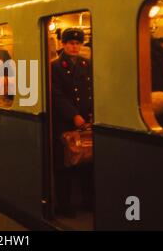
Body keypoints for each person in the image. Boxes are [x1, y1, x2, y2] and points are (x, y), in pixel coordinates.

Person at [51, 27, 93, 218]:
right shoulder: (55, 66)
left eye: (77, 43)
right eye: (70, 43)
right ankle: (65, 205)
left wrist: (90, 115)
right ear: (63, 44)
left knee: (86, 162)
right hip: (66, 123)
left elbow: (91, 91)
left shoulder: (87, 64)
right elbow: (57, 95)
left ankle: (88, 201)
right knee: (65, 164)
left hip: (85, 123)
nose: (74, 47)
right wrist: (73, 115)